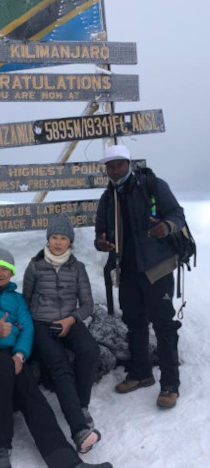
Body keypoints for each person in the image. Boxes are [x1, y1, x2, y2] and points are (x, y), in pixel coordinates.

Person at [0, 248, 113, 468]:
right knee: (3, 370)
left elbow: (28, 329)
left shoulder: (18, 299)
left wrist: (20, 354)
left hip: (10, 356)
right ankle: (0, 445)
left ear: (11, 273)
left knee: (34, 399)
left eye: (5, 269)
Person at [94, 144, 185, 409]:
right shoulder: (107, 198)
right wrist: (102, 243)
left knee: (163, 325)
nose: (114, 169)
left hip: (157, 267)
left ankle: (170, 384)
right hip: (128, 269)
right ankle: (140, 373)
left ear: (129, 163)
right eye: (110, 166)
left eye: (119, 164)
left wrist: (167, 227)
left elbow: (177, 214)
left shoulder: (153, 185)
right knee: (134, 322)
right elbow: (101, 232)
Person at [22, 213, 101, 454]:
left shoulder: (78, 268)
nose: (57, 242)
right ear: (48, 239)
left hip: (70, 321)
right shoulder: (35, 265)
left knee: (90, 350)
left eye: (63, 238)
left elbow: (88, 304)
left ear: (70, 241)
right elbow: (25, 301)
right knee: (59, 366)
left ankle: (82, 405)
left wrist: (70, 319)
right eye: (54, 237)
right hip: (41, 324)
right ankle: (79, 430)